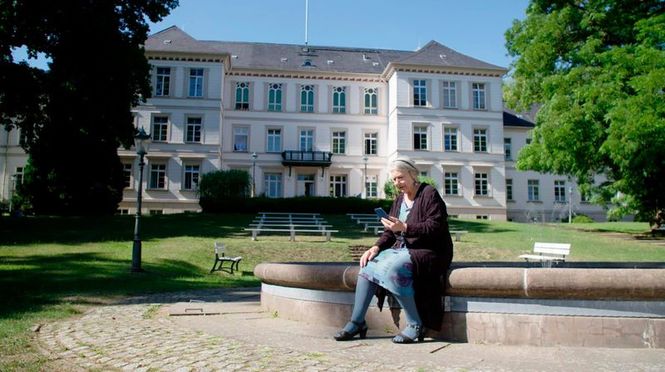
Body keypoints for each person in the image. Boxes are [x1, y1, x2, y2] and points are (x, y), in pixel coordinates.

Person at [334, 157, 453, 343]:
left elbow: (435, 227)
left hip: (429, 251)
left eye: (400, 178)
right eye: (394, 180)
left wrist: (405, 228)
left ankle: (415, 324)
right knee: (367, 267)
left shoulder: (429, 194)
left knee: (395, 269)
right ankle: (357, 322)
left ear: (413, 175)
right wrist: (376, 247)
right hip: (403, 250)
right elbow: (390, 233)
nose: (397, 183)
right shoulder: (398, 200)